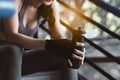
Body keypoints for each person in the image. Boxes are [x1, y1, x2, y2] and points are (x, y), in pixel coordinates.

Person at [0, 0, 85, 80]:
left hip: (17, 61)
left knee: (65, 53)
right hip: (4, 58)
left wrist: (73, 50)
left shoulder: (51, 5)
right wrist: (49, 45)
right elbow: (11, 36)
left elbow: (59, 37)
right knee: (14, 49)